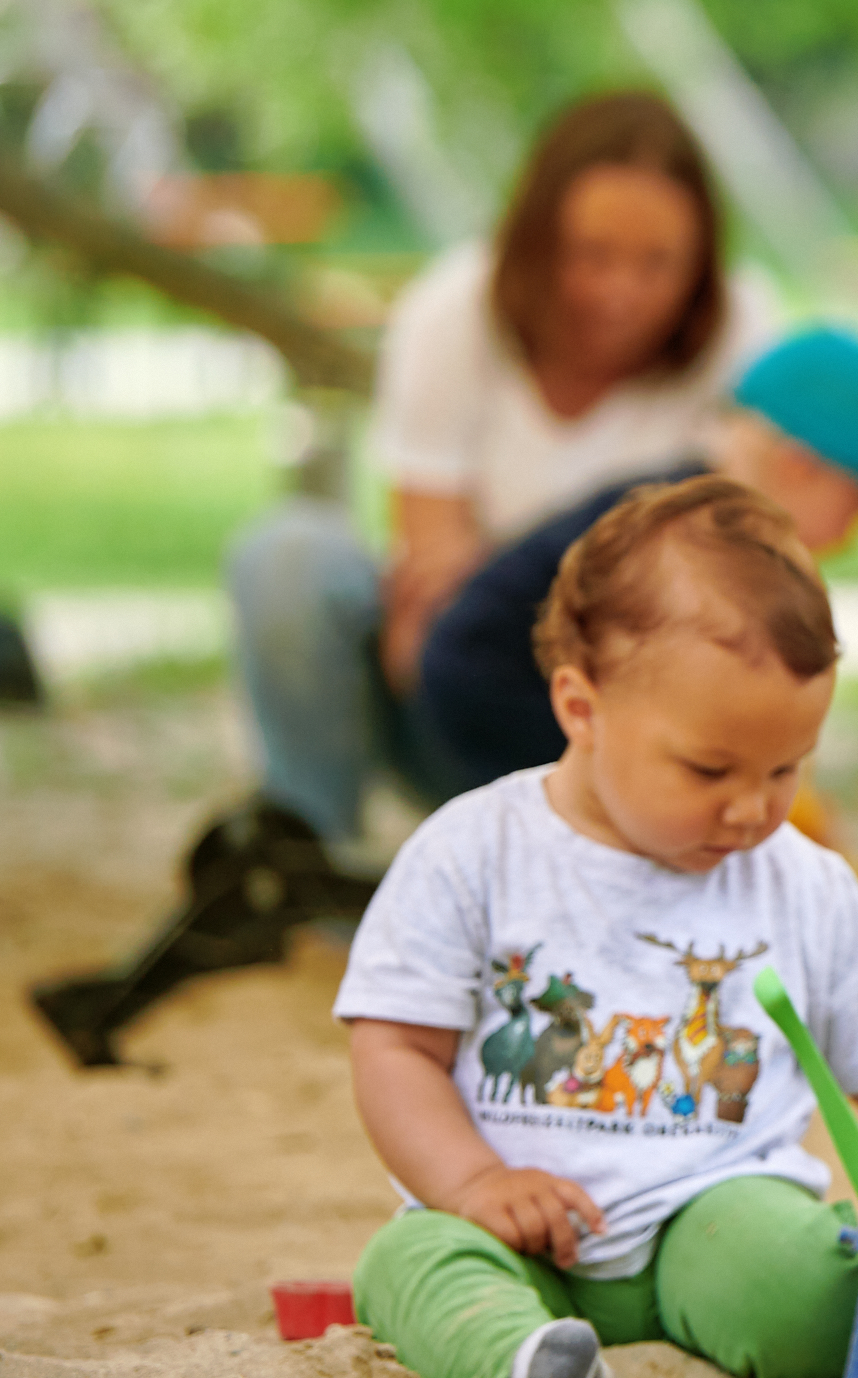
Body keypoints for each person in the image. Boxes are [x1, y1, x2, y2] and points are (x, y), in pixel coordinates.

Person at [337, 477, 858, 1378]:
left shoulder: (799, 879)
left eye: (786, 768)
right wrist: (474, 1183)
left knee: (805, 1274)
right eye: (709, 769)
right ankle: (535, 1366)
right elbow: (395, 1049)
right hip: (513, 1226)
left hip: (713, 1206)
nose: (751, 807)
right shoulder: (471, 851)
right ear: (581, 706)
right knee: (408, 1266)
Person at [228, 92, 777, 848]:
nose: (622, 291)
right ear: (538, 240)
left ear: (702, 262)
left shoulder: (746, 340)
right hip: (460, 691)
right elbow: (431, 604)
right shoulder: (455, 309)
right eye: (594, 255)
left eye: (658, 263)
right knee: (286, 557)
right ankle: (313, 863)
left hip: (636, 726)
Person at [414, 326, 858, 794]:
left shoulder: (700, 508)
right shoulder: (698, 540)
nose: (855, 532)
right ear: (802, 468)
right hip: (499, 687)